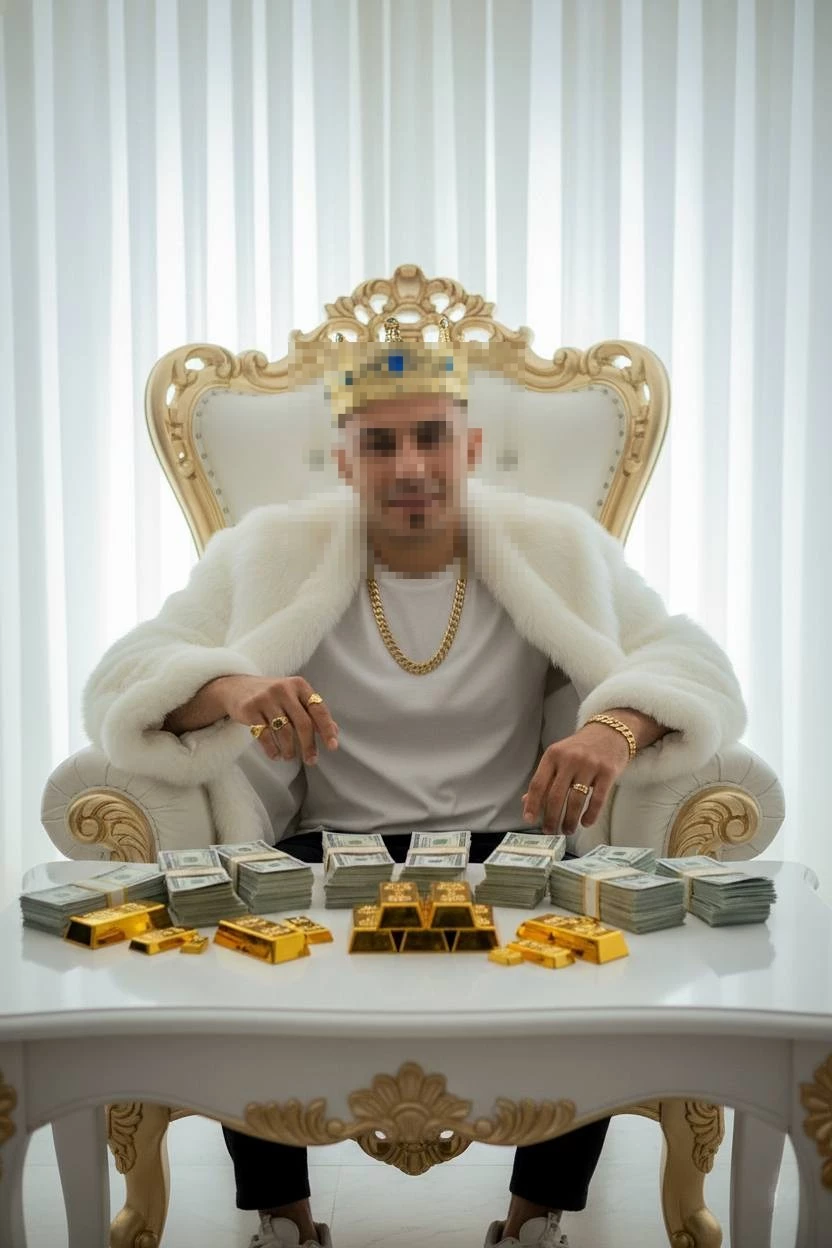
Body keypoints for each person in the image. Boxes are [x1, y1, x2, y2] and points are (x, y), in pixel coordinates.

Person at [83, 330, 747, 1248]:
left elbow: (691, 661)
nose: (410, 466)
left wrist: (616, 724)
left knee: (595, 958)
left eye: (431, 437)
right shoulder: (271, 550)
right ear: (345, 459)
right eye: (383, 445)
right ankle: (284, 1220)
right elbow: (128, 674)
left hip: (508, 853)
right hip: (323, 860)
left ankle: (533, 1220)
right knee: (237, 950)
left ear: (469, 449)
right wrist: (230, 685)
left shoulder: (555, 547)